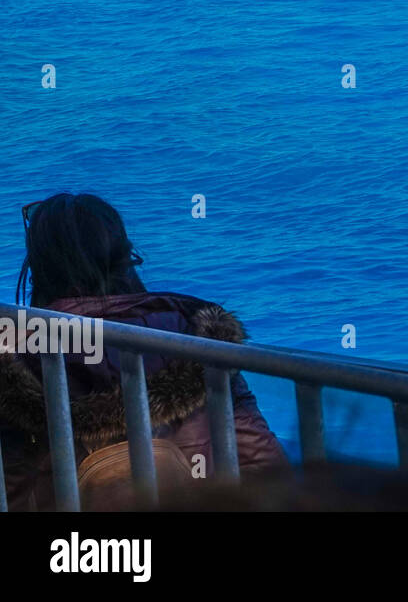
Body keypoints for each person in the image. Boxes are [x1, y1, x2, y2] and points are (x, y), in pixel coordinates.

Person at [0, 193, 287, 510]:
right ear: (126, 259)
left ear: (40, 271)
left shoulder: (17, 358)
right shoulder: (194, 335)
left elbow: (13, 484)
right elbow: (260, 459)